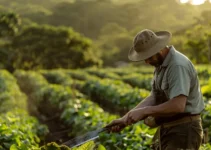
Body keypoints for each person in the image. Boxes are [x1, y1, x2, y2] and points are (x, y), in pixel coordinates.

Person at [106, 29, 205, 150]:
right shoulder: (160, 65)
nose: (147, 61)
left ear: (159, 49)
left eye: (148, 57)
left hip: (184, 130)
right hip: (168, 127)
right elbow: (154, 97)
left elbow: (178, 105)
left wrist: (145, 111)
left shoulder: (177, 66)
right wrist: (124, 119)